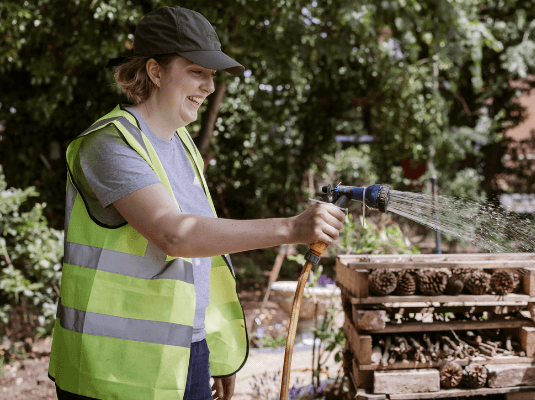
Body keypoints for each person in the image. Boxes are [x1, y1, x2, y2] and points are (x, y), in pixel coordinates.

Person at [47, 6, 346, 400]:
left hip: (186, 353)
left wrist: (212, 352)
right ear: (154, 72)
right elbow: (174, 235)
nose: (208, 86)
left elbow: (199, 260)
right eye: (196, 72)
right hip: (113, 369)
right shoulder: (109, 145)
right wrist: (292, 228)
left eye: (212, 76)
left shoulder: (182, 144)